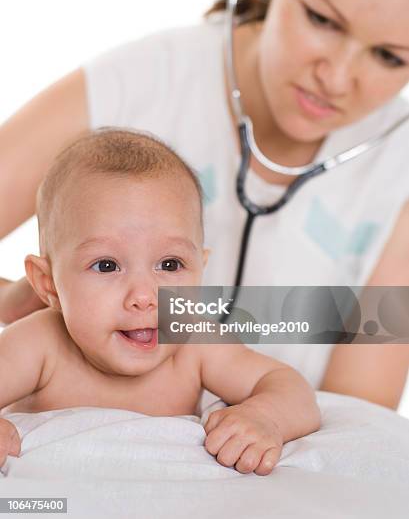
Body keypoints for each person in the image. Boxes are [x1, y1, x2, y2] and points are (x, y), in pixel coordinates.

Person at [1, 0, 409, 411]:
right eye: (322, 19)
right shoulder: (146, 80)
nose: (337, 76)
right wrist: (54, 304)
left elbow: (360, 423)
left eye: (391, 56)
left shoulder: (398, 170)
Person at [0, 128, 320, 475]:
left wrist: (264, 417)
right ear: (48, 284)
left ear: (201, 270)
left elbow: (291, 388)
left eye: (170, 265)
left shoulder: (194, 344)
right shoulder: (40, 345)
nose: (144, 297)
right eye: (106, 265)